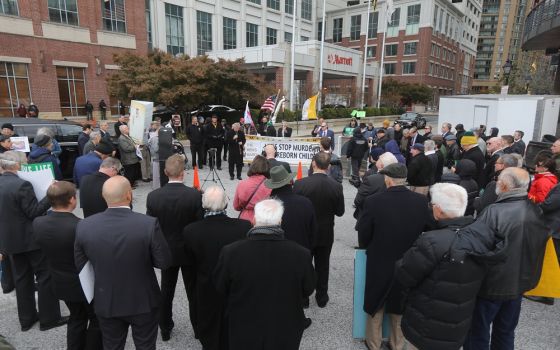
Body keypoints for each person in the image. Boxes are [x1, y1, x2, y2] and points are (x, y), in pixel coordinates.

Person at [396, 183, 502, 350]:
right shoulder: (483, 234)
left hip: (426, 323)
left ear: (438, 210)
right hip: (459, 321)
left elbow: (405, 274)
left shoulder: (432, 241)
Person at [75, 176, 172, 350]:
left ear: (104, 197)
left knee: (112, 345)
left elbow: (81, 266)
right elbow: (163, 262)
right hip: (143, 300)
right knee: (146, 345)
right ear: (129, 195)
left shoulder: (84, 226)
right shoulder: (148, 224)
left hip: (106, 300)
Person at [463, 168, 550, 350]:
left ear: (503, 185)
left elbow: (476, 248)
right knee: (506, 332)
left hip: (491, 286)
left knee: (478, 333)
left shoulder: (493, 212)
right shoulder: (536, 210)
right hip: (520, 283)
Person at [213, 199, 315, 350]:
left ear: (254, 220)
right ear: (280, 221)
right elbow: (308, 288)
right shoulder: (301, 254)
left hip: (243, 324)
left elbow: (220, 286)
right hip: (285, 325)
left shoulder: (231, 252)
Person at [356, 163, 431, 350]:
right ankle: (397, 343)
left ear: (387, 179)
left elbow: (364, 232)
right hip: (408, 259)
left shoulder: (373, 201)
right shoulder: (420, 201)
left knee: (376, 300)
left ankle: (373, 343)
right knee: (401, 301)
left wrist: (368, 246)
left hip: (379, 258)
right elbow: (428, 229)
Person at [0, 151, 66, 332]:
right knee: (44, 277)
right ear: (16, 165)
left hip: (9, 241)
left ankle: (26, 320)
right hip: (29, 240)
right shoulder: (22, 185)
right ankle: (49, 319)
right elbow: (34, 211)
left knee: (22, 280)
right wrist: (49, 194)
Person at [33, 181, 102, 350]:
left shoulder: (38, 223)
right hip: (85, 283)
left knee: (76, 318)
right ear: (72, 199)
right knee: (96, 319)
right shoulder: (80, 225)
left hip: (59, 280)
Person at [183, 186, 252, 350]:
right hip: (235, 286)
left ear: (204, 204)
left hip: (206, 285)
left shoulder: (191, 231)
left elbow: (190, 266)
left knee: (209, 328)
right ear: (226, 203)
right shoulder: (243, 227)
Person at [145, 154, 203, 341]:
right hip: (189, 251)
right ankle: (198, 328)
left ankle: (165, 328)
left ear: (165, 172)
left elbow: (150, 227)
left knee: (166, 290)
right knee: (193, 292)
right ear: (183, 173)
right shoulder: (195, 195)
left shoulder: (153, 196)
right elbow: (199, 225)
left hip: (165, 250)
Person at [293, 152, 345, 307]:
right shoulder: (336, 186)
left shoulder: (300, 184)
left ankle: (304, 298)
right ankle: (322, 297)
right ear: (328, 167)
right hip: (325, 232)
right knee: (323, 265)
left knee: (304, 264)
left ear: (313, 164)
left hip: (305, 231)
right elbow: (340, 211)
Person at [266, 165, 317, 250]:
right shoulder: (305, 203)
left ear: (273, 185)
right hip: (301, 251)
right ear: (290, 181)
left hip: (274, 253)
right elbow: (313, 232)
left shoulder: (266, 206)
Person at [353, 152, 397, 220]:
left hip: (369, 216)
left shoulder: (371, 179)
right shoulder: (398, 179)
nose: (377, 159)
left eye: (379, 159)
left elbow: (358, 201)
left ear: (382, 165)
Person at [233, 155, 272, 222]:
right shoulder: (270, 185)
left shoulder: (242, 184)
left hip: (245, 219)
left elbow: (236, 206)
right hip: (264, 219)